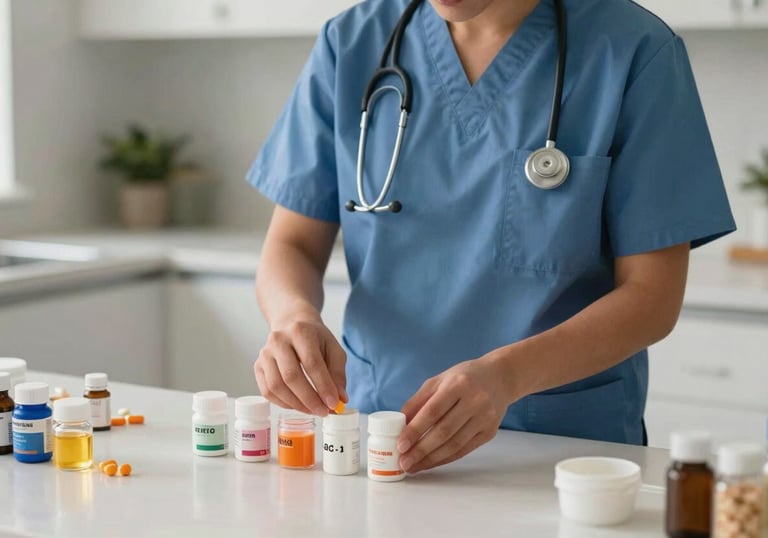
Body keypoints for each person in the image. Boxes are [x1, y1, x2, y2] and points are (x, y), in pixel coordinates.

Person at [247, 0, 735, 474]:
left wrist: (509, 375)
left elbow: (651, 298)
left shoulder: (633, 49)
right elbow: (292, 245)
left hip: (563, 450)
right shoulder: (352, 43)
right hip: (382, 438)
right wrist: (292, 318)